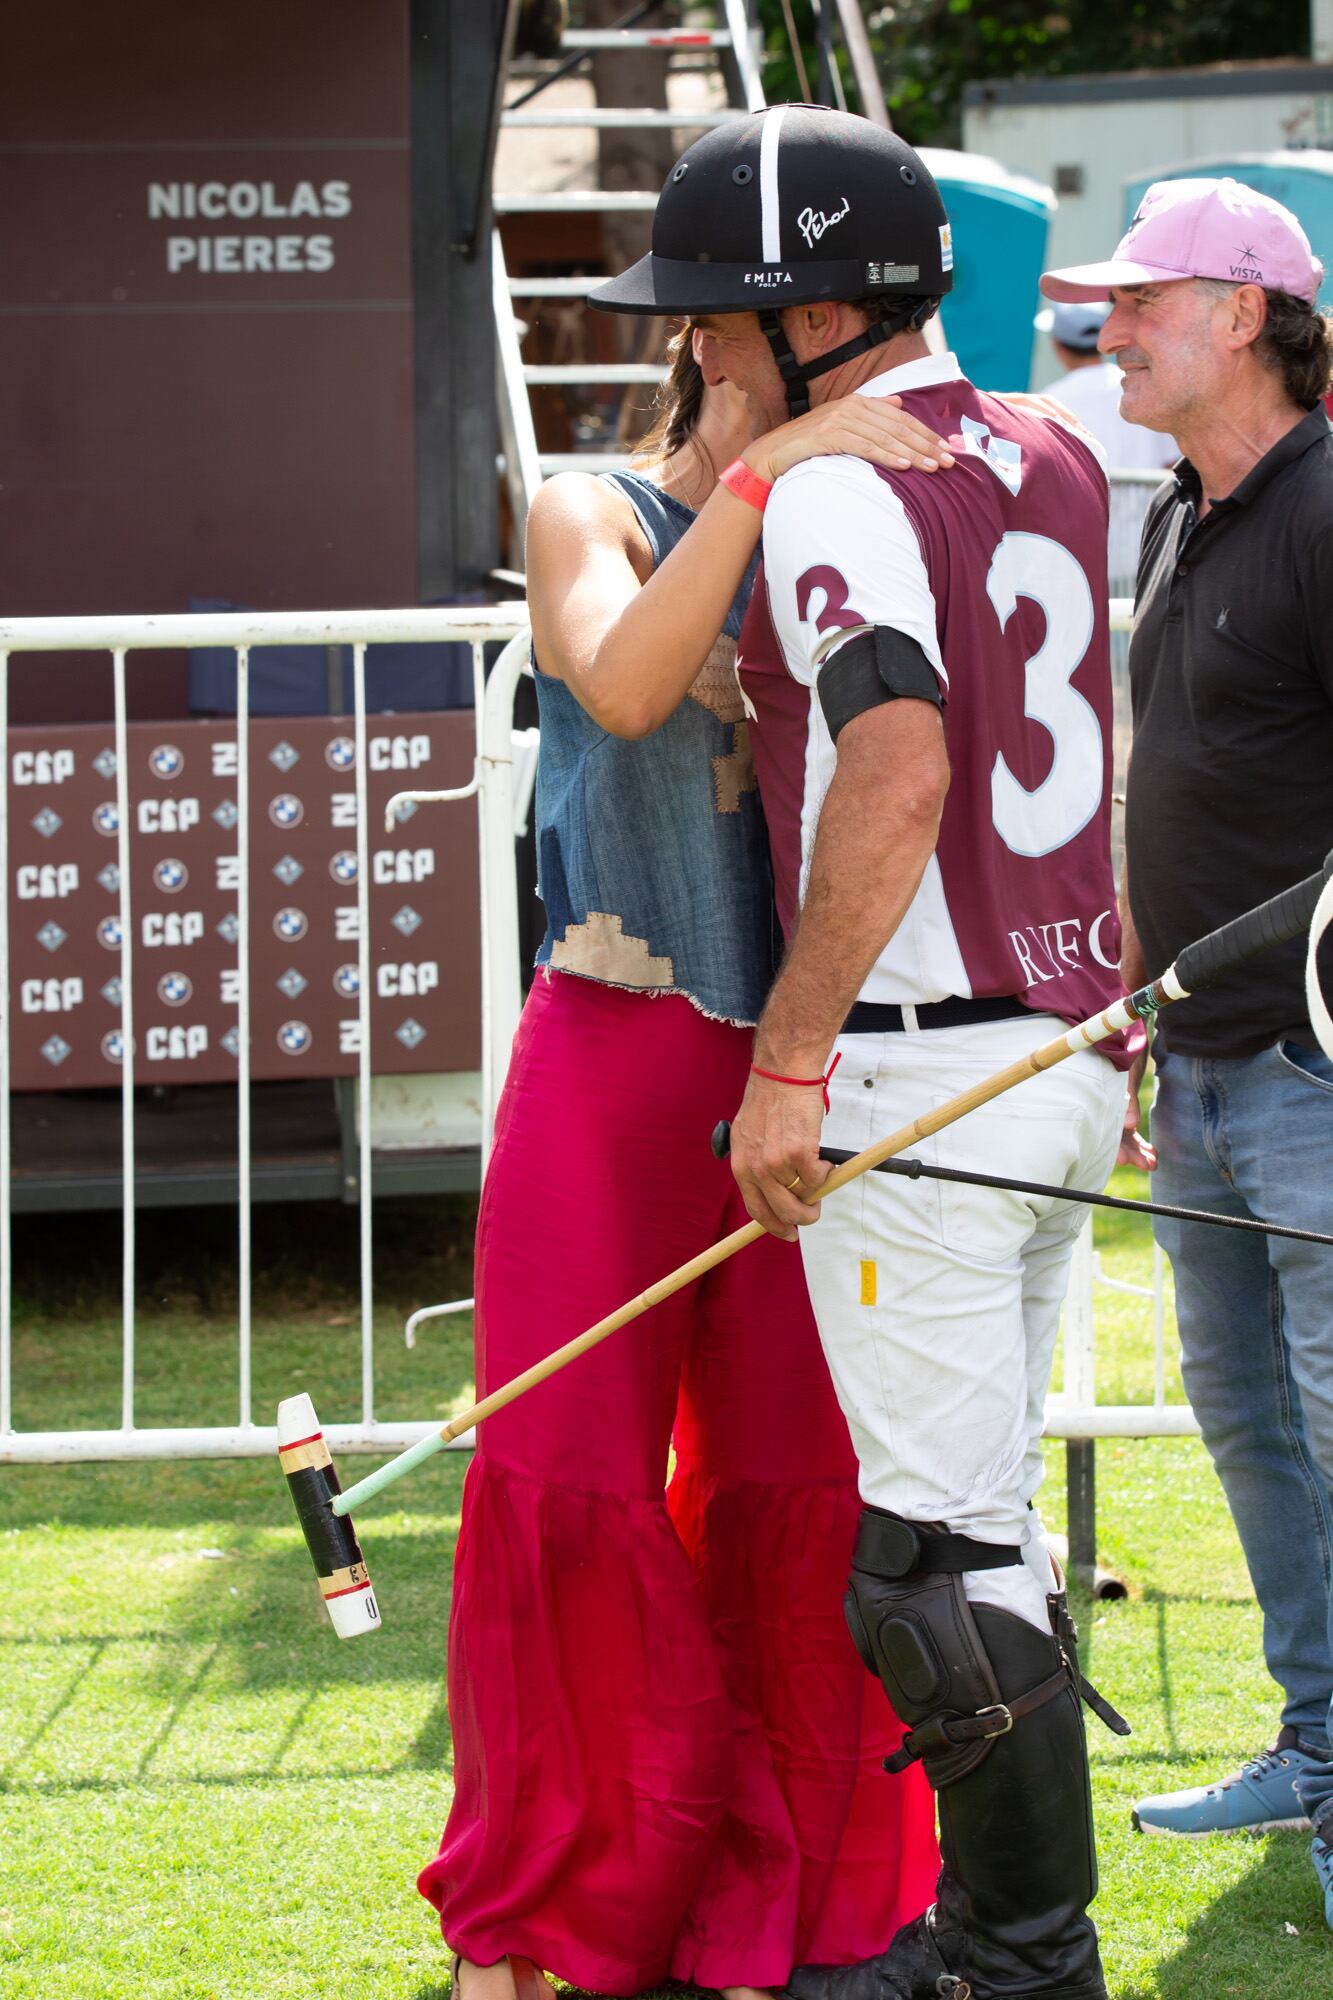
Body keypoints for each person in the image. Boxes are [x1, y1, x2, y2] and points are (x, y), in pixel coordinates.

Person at [594, 103, 1132, 2000]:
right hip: (1059, 1038)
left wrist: (789, 1060)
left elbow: (896, 764)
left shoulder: (835, 488)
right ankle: (1007, 1939)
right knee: (978, 1520)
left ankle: (1015, 1958)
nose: (700, 351)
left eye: (720, 318)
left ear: (816, 314)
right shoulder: (1054, 444)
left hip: (922, 1064)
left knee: (929, 1561)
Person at [417, 326, 950, 1998]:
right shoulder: (590, 504)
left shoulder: (855, 533)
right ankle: (550, 1909)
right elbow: (626, 681)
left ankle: (785, 1893)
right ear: (717, 349)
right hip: (617, 1047)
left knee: (797, 1482)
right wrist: (754, 473)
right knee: (567, 1465)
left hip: (813, 1062)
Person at [1041, 175, 1333, 1928]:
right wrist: (1141, 996)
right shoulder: (1178, 512)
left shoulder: (1322, 507)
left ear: (1240, 316)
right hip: (1207, 1069)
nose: (1107, 327)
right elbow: (1187, 796)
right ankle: (1314, 1746)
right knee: (1253, 1435)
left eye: (1140, 301)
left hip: (1310, 1072)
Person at [1036, 299, 1177, 582]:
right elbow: (1173, 462)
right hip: (1151, 547)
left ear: (1058, 345)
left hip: (1081, 556)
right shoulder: (1145, 388)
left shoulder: (1046, 403)